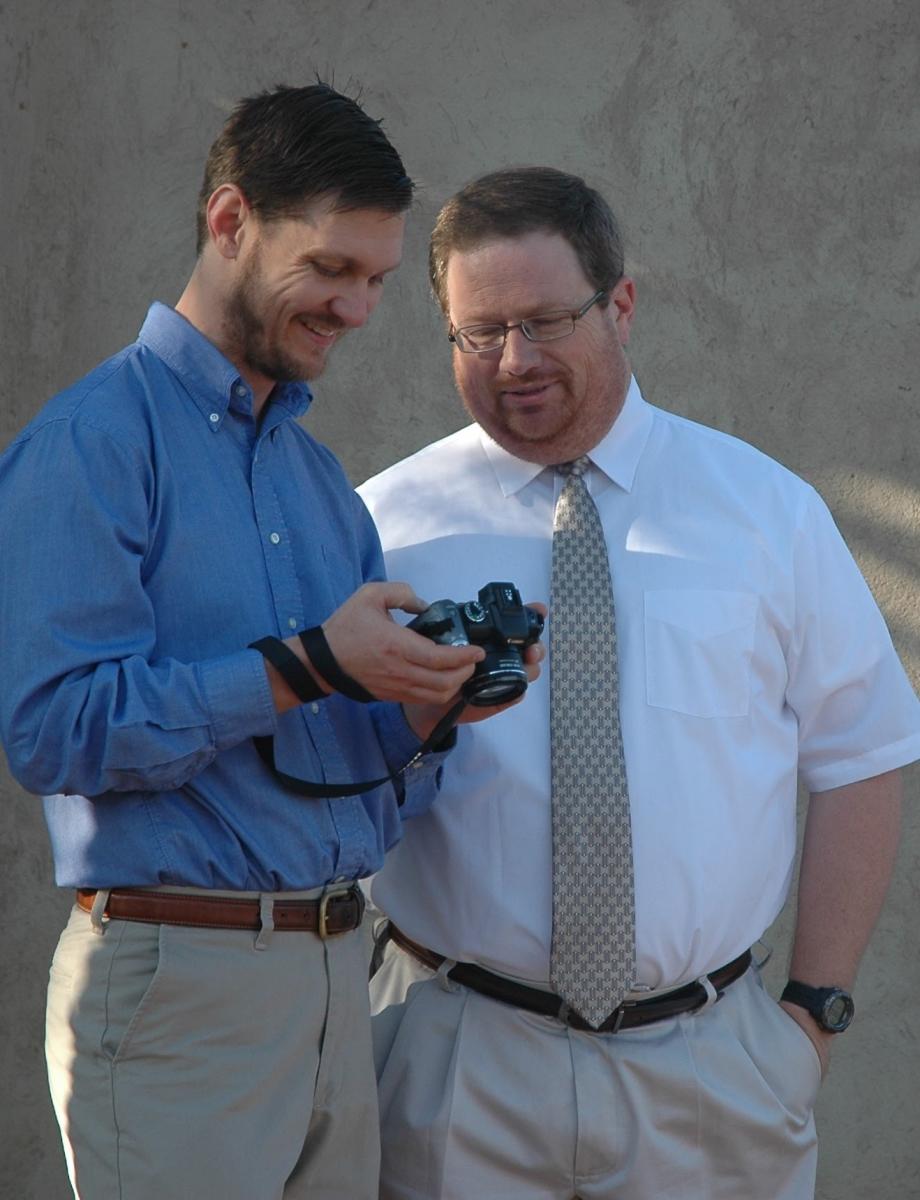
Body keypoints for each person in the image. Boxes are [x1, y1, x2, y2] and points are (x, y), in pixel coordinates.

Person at [0, 87, 540, 1200]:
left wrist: (425, 715)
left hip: (342, 974)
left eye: (378, 281)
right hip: (177, 988)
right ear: (231, 220)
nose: (354, 307)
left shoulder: (318, 482)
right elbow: (53, 734)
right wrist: (307, 666)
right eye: (331, 268)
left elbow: (346, 782)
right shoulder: (90, 444)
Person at [358, 166, 920, 1200]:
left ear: (620, 305)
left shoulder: (762, 511)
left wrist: (808, 1017)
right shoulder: (383, 528)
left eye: (543, 320)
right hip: (455, 1064)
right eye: (476, 332)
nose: (512, 361)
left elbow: (861, 753)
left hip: (710, 1070)